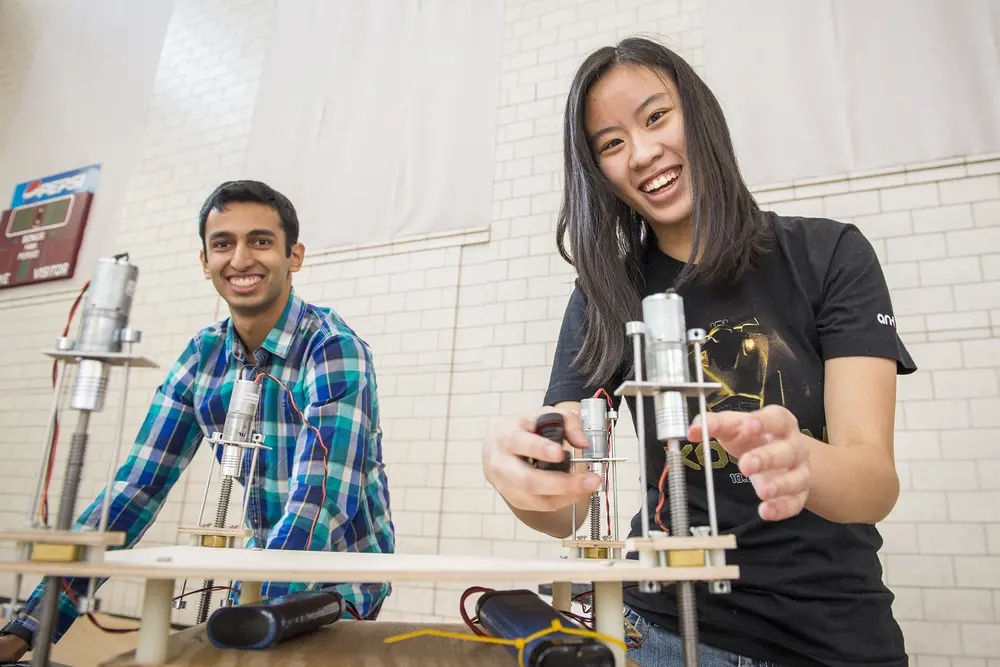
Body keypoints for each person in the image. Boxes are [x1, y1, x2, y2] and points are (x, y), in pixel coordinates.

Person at [482, 36, 916, 667]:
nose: (643, 152)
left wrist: (802, 463)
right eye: (611, 143)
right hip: (656, 629)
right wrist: (521, 475)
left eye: (656, 116)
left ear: (699, 112)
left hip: (827, 636)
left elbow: (873, 483)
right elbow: (568, 507)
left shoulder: (829, 257)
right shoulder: (609, 291)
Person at [0, 180, 395, 660]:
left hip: (335, 584)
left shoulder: (332, 349)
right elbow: (136, 489)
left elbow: (320, 499)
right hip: (255, 579)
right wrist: (31, 624)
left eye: (261, 241)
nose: (241, 259)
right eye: (223, 244)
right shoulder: (203, 356)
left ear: (295, 257)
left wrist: (253, 609)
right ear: (205, 262)